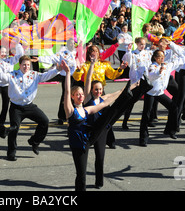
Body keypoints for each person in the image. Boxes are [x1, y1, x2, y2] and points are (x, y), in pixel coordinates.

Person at [62, 59, 122, 191]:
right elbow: (66, 92)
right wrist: (67, 74)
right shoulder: (70, 110)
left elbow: (104, 104)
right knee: (81, 175)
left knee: (112, 114)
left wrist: (128, 89)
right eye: (78, 94)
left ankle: (98, 181)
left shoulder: (85, 110)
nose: (81, 96)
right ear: (73, 96)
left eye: (82, 94)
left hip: (87, 140)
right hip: (77, 145)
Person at [0, 55, 60, 161]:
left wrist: (57, 69)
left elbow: (46, 75)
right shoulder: (13, 75)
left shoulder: (34, 75)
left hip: (29, 106)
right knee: (14, 128)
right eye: (24, 65)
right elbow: (2, 77)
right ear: (20, 65)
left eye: (28, 65)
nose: (26, 67)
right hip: (16, 107)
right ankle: (11, 153)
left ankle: (34, 142)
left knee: (44, 121)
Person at [73, 44, 127, 148]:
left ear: (98, 53)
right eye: (91, 51)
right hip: (89, 93)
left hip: (100, 93)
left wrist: (120, 69)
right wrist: (78, 70)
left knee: (107, 115)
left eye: (96, 51)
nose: (94, 52)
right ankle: (86, 138)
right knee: (89, 118)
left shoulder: (104, 65)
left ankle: (110, 140)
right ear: (89, 54)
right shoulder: (85, 65)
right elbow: (77, 77)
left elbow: (112, 75)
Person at [140, 50, 179, 146]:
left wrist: (184, 57)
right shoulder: (152, 66)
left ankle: (170, 130)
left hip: (160, 93)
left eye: (163, 56)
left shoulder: (165, 65)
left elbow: (176, 63)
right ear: (155, 58)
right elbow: (151, 76)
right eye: (160, 57)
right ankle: (143, 138)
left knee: (174, 107)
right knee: (146, 115)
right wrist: (159, 72)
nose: (162, 58)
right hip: (151, 93)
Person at [0, 34, 24, 128]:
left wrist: (17, 44)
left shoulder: (10, 60)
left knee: (5, 107)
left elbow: (20, 55)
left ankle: (0, 124)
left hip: (7, 86)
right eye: (1, 52)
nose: (3, 53)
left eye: (5, 52)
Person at [35, 37, 76, 125]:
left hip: (77, 77)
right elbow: (52, 58)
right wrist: (40, 59)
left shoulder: (78, 52)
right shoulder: (63, 53)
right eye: (70, 43)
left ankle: (74, 114)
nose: (72, 45)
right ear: (67, 44)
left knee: (76, 96)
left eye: (73, 43)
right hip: (66, 76)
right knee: (65, 95)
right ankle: (61, 116)